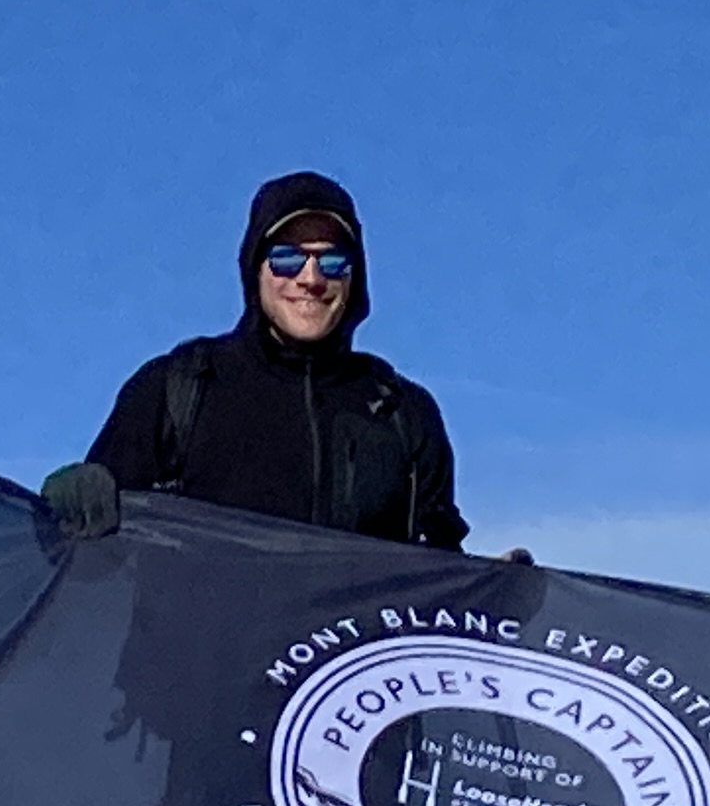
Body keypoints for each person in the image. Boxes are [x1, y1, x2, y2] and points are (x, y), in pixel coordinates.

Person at [42, 170, 468, 548]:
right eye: (287, 258)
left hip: (353, 640)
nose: (311, 279)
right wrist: (69, 500)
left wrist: (505, 594)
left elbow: (441, 581)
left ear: (355, 275)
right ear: (255, 269)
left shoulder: (403, 414)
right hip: (200, 637)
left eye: (333, 260)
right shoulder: (178, 389)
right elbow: (90, 545)